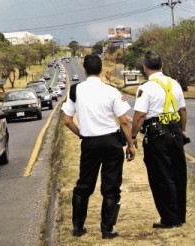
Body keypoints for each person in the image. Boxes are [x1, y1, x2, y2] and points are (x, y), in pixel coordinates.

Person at [61, 54, 135, 239]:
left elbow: (67, 120)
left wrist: (82, 134)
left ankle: (78, 228)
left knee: (84, 185)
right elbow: (124, 122)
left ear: (84, 70)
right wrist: (131, 145)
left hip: (90, 144)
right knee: (111, 187)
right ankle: (107, 229)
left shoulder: (75, 90)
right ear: (101, 69)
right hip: (111, 143)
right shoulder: (111, 90)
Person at [131, 50, 188, 228]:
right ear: (162, 65)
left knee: (161, 177)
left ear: (144, 67)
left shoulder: (145, 88)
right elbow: (182, 111)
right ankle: (180, 215)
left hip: (157, 135)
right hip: (175, 131)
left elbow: (139, 116)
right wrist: (183, 130)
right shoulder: (174, 83)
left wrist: (132, 136)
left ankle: (170, 219)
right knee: (178, 174)